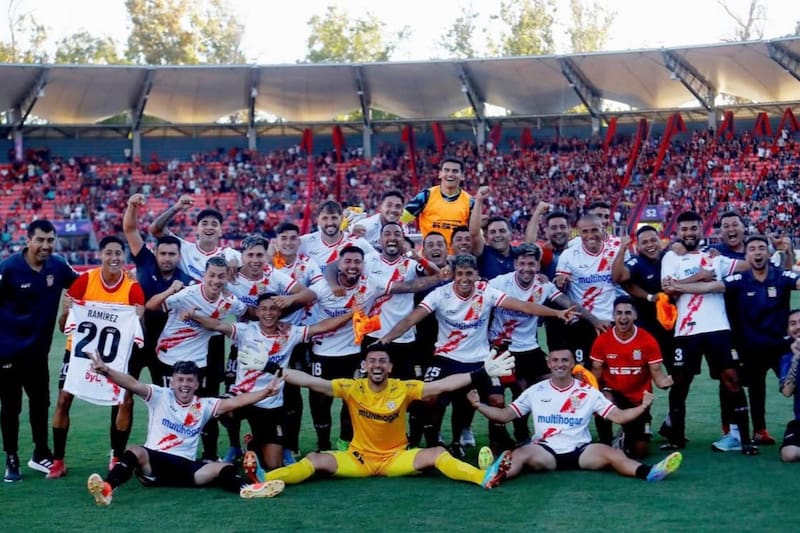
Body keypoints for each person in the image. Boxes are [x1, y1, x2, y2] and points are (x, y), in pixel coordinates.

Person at [375, 254, 575, 458]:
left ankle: (496, 441)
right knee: (429, 397)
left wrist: (556, 313)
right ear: (453, 275)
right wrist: (386, 339)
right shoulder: (440, 295)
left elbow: (523, 305)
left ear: (476, 275)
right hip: (447, 357)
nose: (464, 278)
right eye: (460, 274)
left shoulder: (486, 292)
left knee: (497, 400)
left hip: (480, 361)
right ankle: (433, 442)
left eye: (469, 274)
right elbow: (411, 319)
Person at [239, 347, 515, 492]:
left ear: (390, 367)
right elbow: (310, 381)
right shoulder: (351, 387)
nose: (378, 366)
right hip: (358, 459)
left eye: (383, 361)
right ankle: (263, 478)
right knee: (314, 460)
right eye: (372, 361)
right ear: (365, 367)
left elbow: (442, 385)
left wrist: (481, 373)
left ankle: (484, 477)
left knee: (438, 454)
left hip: (395, 459)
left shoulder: (403, 388)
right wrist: (269, 367)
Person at [85, 356, 285, 506]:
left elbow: (236, 401)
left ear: (197, 384)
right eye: (180, 380)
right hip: (154, 466)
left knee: (221, 467)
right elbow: (132, 383)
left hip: (186, 469)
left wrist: (265, 392)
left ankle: (249, 489)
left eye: (189, 380)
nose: (185, 385)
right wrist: (107, 371)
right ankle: (107, 488)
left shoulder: (204, 405)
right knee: (135, 450)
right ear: (172, 382)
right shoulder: (159, 396)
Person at [189, 292, 353, 474]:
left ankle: (252, 443)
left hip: (271, 403)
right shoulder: (246, 330)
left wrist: (352, 313)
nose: (268, 313)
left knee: (273, 466)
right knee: (221, 410)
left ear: (280, 312)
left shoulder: (290, 332)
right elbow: (218, 325)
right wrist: (193, 315)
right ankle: (231, 447)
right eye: (264, 309)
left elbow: (321, 327)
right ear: (257, 312)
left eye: (273, 309)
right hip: (242, 396)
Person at [307, 245, 449, 452]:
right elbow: (304, 298)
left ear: (363, 265)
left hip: (354, 350)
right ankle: (322, 443)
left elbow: (408, 286)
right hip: (323, 350)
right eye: (348, 261)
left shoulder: (371, 284)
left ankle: (346, 441)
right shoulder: (323, 286)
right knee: (320, 399)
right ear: (339, 263)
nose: (353, 266)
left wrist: (436, 279)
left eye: (357, 262)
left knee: (353, 397)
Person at [468, 349, 682, 482]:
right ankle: (492, 475)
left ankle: (651, 472)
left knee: (612, 453)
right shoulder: (536, 390)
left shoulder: (588, 391)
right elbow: (505, 415)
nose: (560, 364)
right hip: (546, 451)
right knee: (521, 453)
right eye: (555, 360)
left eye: (565, 360)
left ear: (572, 364)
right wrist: (479, 405)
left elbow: (618, 416)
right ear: (549, 364)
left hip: (581, 451)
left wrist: (642, 407)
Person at [667, 235, 800, 447]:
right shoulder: (739, 279)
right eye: (753, 249)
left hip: (780, 345)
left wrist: (789, 253)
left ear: (767, 253)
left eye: (761, 248)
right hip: (751, 345)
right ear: (746, 255)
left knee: (795, 384)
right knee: (749, 388)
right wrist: (678, 287)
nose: (757, 252)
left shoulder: (780, 275)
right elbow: (710, 287)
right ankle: (751, 433)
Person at [660, 211, 756, 454]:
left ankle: (745, 440)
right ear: (678, 233)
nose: (690, 233)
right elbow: (669, 290)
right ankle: (676, 439)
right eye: (685, 230)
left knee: (732, 382)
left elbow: (750, 264)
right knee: (680, 384)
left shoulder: (717, 257)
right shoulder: (671, 258)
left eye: (694, 228)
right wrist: (701, 276)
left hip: (718, 329)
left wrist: (771, 250)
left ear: (702, 230)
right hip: (686, 330)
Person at [49, 236, 146, 478]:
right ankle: (58, 460)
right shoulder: (85, 281)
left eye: (118, 254)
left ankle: (116, 456)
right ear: (100, 255)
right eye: (109, 253)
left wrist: (139, 315)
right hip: (79, 353)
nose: (114, 258)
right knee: (64, 399)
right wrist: (67, 311)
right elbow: (64, 326)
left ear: (123, 257)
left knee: (125, 401)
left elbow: (137, 329)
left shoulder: (132, 288)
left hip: (116, 357)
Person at [0, 220, 78, 482]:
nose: (46, 245)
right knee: (11, 407)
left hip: (37, 354)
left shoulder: (57, 265)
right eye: (41, 240)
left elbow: (81, 286)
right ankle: (11, 457)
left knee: (40, 404)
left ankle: (41, 453)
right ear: (28, 240)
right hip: (7, 353)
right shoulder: (9, 269)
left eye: (50, 240)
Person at [154, 256, 248, 461]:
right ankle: (164, 454)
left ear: (227, 277)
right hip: (170, 359)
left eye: (221, 276)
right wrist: (170, 291)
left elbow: (248, 312)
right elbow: (152, 306)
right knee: (168, 409)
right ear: (204, 275)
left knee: (205, 410)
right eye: (212, 275)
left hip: (199, 364)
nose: (216, 280)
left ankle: (210, 456)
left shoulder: (229, 302)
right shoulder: (186, 295)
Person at [590, 296, 674, 458]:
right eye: (619, 313)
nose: (623, 317)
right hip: (613, 393)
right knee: (603, 398)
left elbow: (658, 376)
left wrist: (667, 382)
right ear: (613, 315)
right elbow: (596, 376)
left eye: (628, 313)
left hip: (638, 400)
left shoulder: (648, 341)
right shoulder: (602, 340)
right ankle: (605, 441)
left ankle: (624, 437)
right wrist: (592, 398)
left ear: (635, 315)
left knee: (640, 452)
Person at [123, 193, 193, 382]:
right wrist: (132, 206)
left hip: (165, 348)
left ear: (179, 256)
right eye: (163, 253)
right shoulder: (146, 261)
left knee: (163, 396)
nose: (167, 258)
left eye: (172, 254)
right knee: (123, 397)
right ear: (155, 253)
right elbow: (130, 229)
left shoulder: (186, 281)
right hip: (134, 340)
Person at [552, 213, 616, 363]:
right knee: (584, 371)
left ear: (603, 229)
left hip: (611, 321)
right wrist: (561, 282)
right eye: (585, 231)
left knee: (611, 370)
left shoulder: (615, 251)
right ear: (578, 232)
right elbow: (560, 289)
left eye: (595, 230)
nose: (590, 235)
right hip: (583, 322)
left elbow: (625, 280)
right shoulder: (569, 255)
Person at [402, 156, 474, 251]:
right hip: (429, 258)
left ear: (462, 176)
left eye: (455, 171)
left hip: (456, 259)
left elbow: (475, 233)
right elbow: (402, 219)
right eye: (446, 170)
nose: (450, 174)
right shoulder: (425, 196)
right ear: (440, 174)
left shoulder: (470, 202)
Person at [298, 200, 376, 271]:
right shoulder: (305, 241)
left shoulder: (357, 242)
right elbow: (286, 258)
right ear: (318, 220)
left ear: (341, 218)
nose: (330, 223)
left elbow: (380, 263)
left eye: (334, 218)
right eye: (325, 218)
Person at [779, 309, 800, 462]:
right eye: (793, 324)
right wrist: (797, 359)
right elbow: (787, 392)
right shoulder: (788, 358)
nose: (797, 327)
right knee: (789, 454)